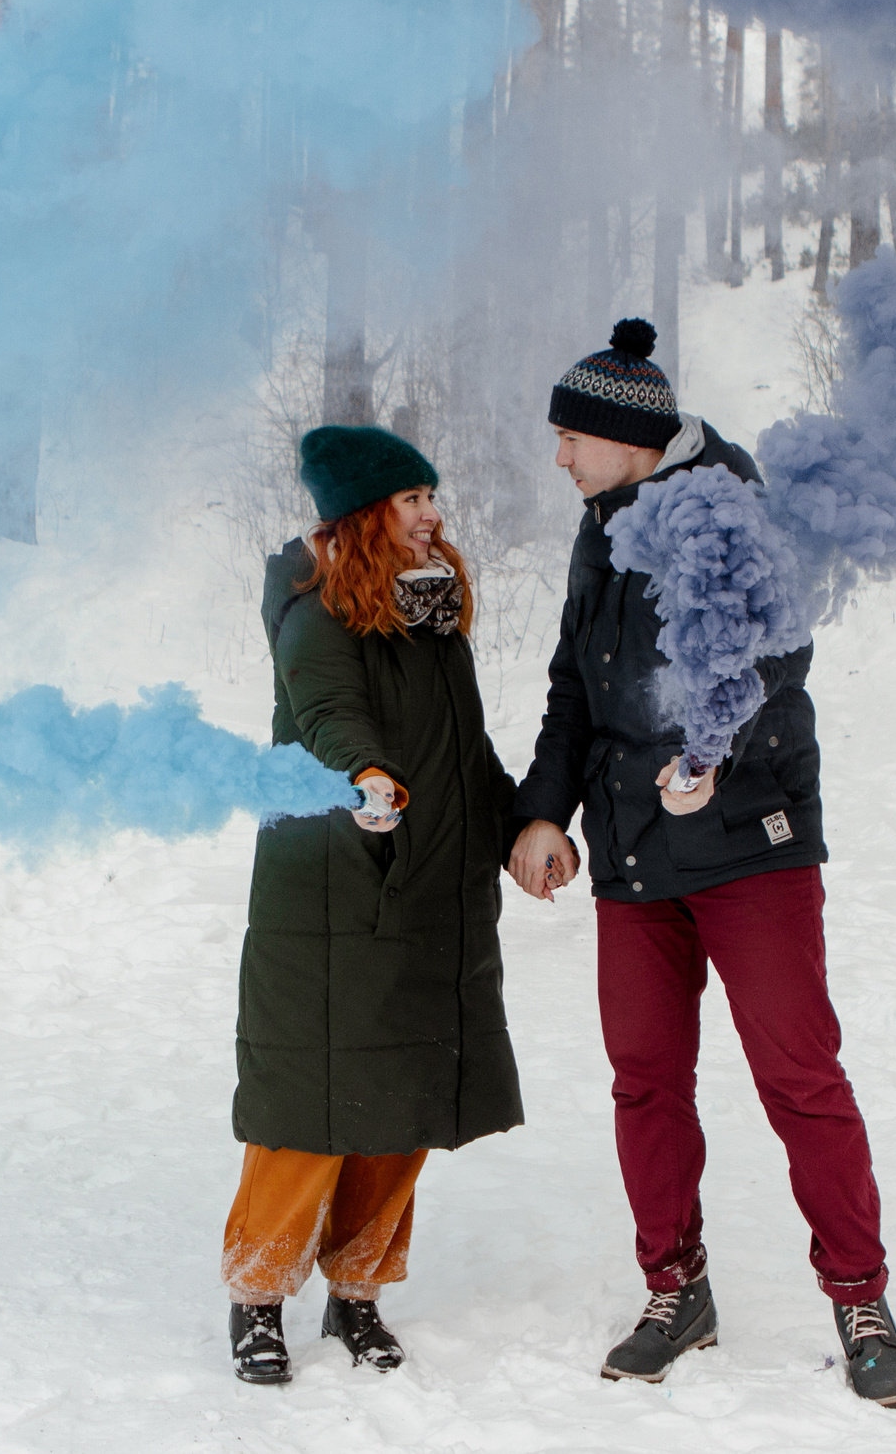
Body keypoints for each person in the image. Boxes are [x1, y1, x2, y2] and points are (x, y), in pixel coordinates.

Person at [506, 319, 896, 1409]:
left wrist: (711, 754)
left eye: (570, 436)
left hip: (748, 847)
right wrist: (542, 812)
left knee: (799, 1077)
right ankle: (674, 1287)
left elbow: (775, 658)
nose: (559, 455)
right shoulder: (600, 528)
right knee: (645, 1079)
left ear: (627, 437)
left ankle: (860, 1296)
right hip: (634, 853)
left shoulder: (732, 506)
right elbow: (573, 685)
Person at [223, 424, 526, 1386]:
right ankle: (258, 1296)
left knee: (401, 1106)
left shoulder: (431, 616)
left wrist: (518, 825)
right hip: (334, 884)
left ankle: (357, 1290)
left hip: (429, 885)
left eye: (431, 496)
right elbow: (325, 714)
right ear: (364, 515)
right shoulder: (314, 613)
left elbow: (465, 750)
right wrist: (365, 773)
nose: (433, 514)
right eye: (411, 500)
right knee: (309, 1107)